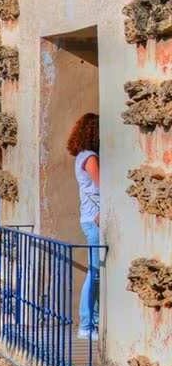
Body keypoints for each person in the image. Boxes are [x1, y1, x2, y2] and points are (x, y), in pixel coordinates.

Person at [68, 112, 101, 340]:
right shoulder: (90, 158)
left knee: (96, 271)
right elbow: (102, 186)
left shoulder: (80, 156)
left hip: (88, 219)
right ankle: (87, 324)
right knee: (95, 272)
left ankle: (93, 322)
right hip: (95, 219)